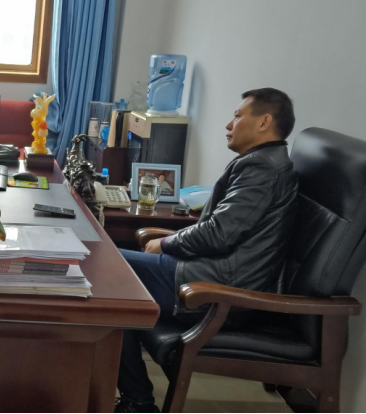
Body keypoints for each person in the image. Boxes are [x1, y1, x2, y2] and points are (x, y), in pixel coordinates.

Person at [114, 88, 299, 413]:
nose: (229, 124)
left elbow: (219, 234)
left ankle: (138, 403)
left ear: (264, 122)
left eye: (238, 116)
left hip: (215, 289)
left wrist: (166, 243)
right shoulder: (264, 162)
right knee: (114, 280)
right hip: (210, 273)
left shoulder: (263, 169)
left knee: (109, 272)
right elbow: (223, 228)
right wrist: (171, 241)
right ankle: (135, 399)